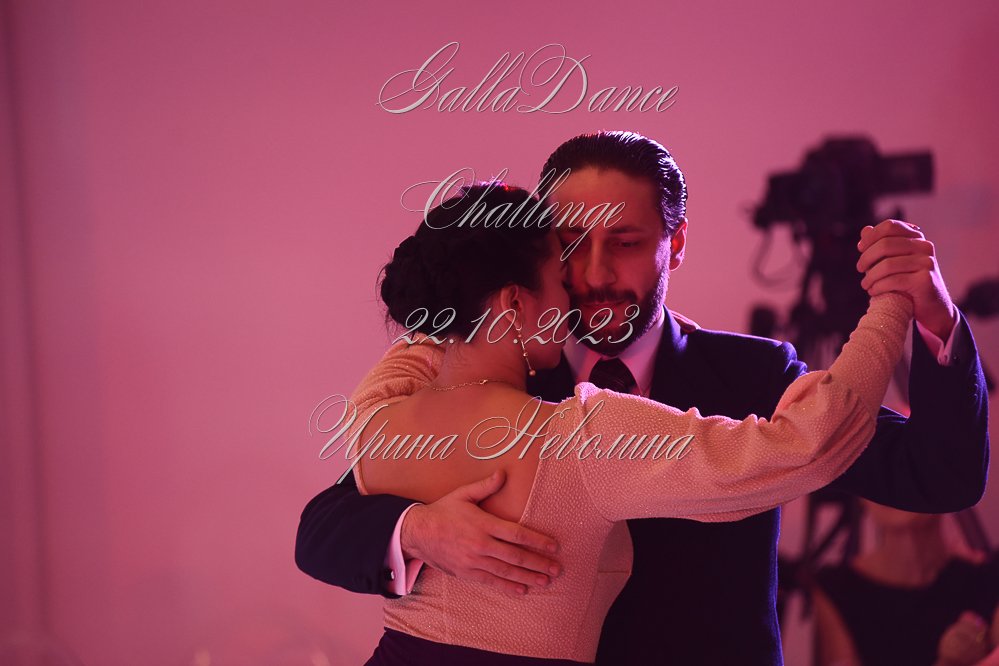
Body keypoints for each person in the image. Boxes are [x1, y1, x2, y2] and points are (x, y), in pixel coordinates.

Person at [296, 132, 990, 665]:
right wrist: (416, 531)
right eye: (571, 244)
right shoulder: (497, 379)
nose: (595, 273)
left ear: (674, 243)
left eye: (625, 242)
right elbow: (323, 527)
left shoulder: (754, 372)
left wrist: (932, 318)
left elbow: (939, 475)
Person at [812, 500, 999, 666]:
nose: (889, 490)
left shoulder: (987, 579)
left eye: (909, 475)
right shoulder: (838, 588)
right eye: (874, 477)